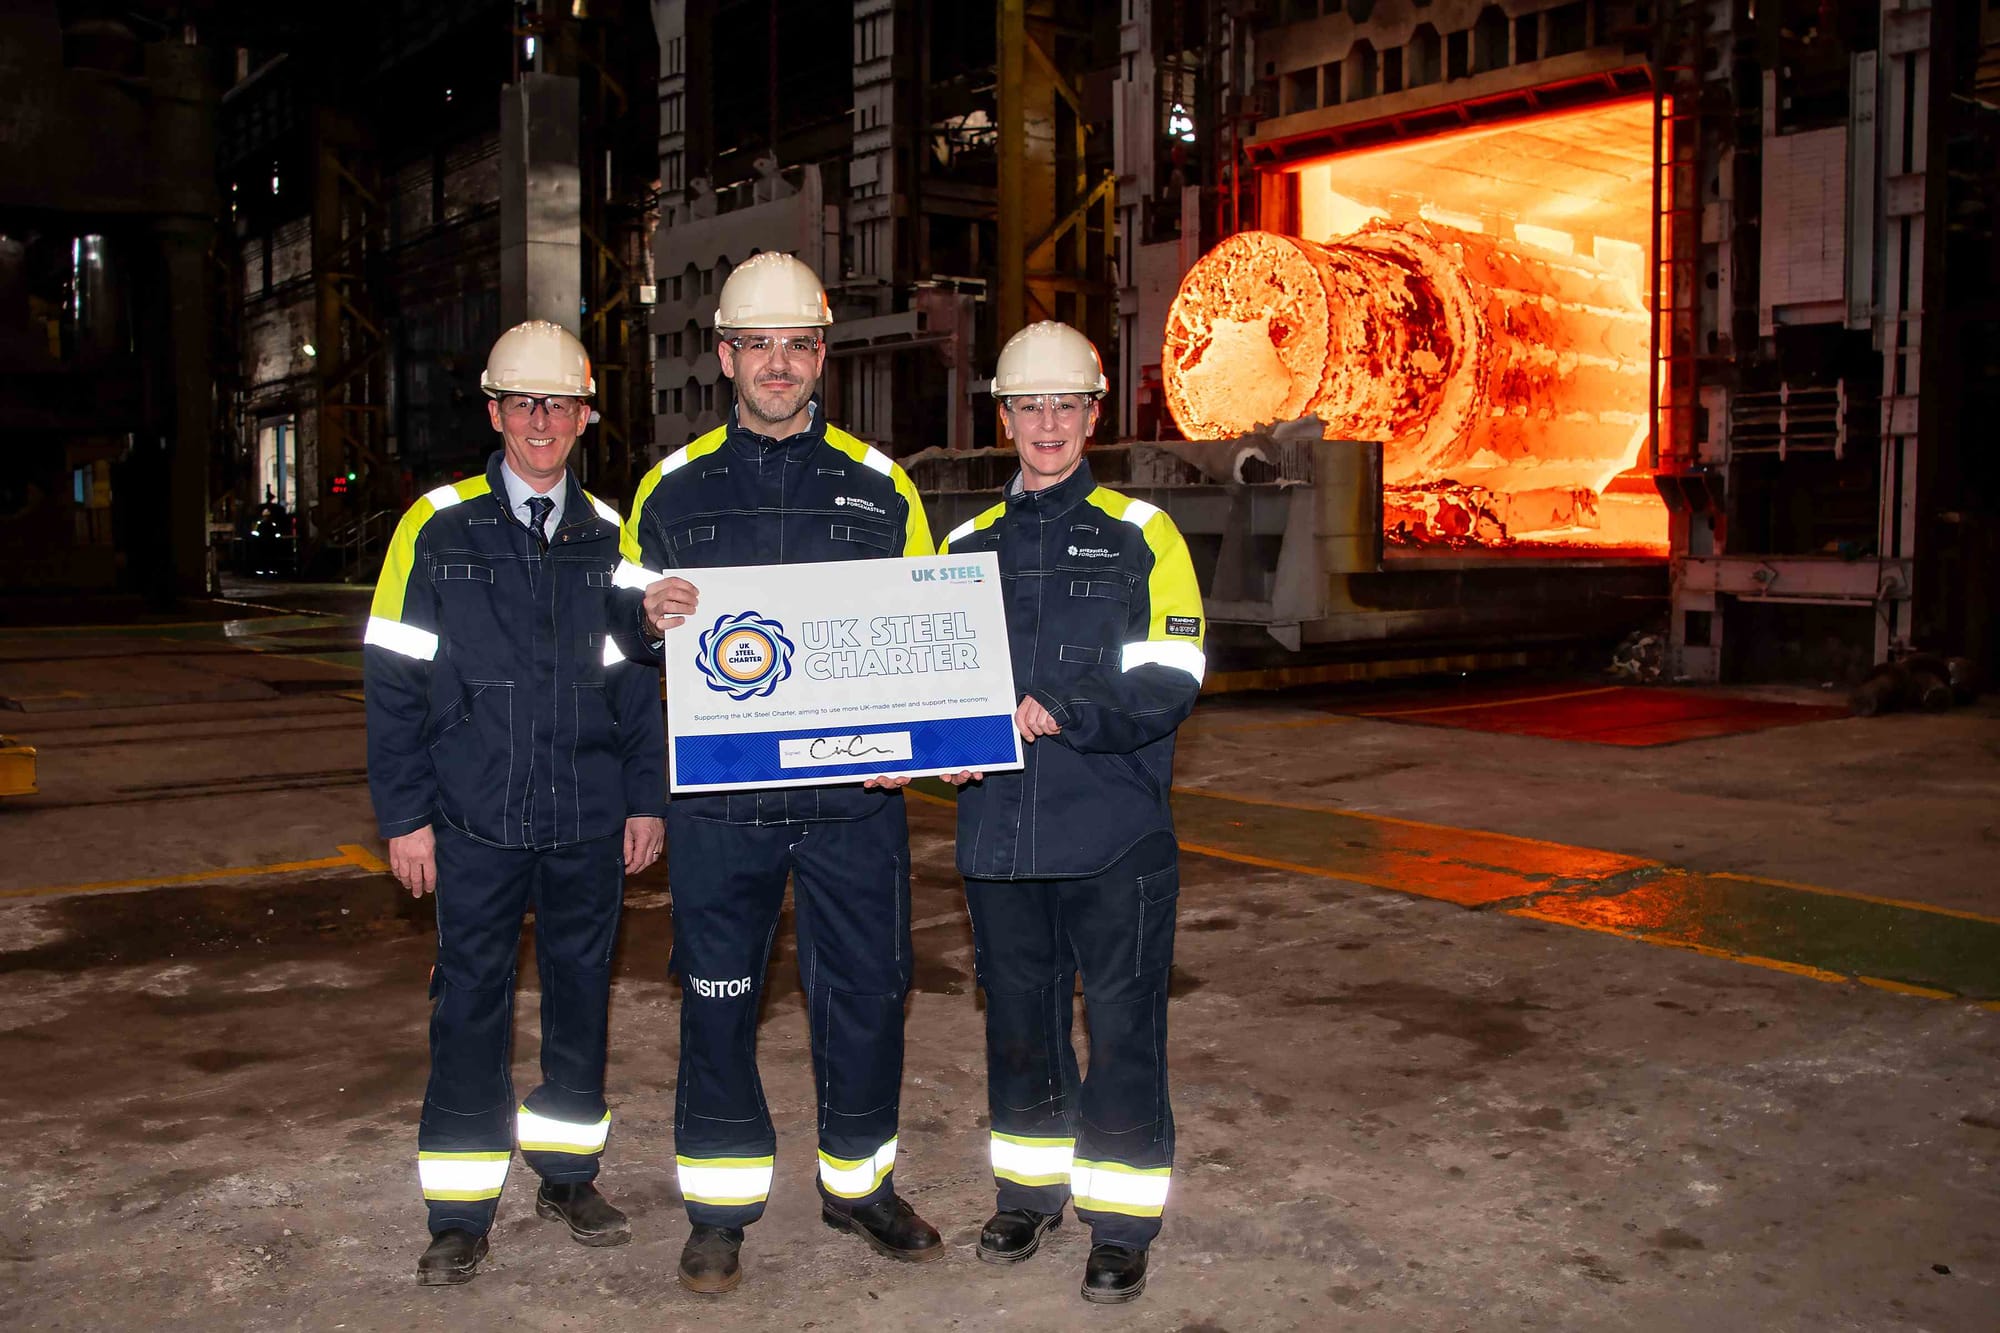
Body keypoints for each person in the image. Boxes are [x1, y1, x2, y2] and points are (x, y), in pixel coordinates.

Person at [620, 252, 941, 1295]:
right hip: (722, 801)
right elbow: (616, 649)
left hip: (854, 803)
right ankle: (719, 1210)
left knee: (866, 995)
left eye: (795, 346)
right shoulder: (668, 492)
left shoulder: (880, 485)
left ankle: (859, 1188)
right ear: (724, 356)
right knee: (718, 998)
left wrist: (913, 749)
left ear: (820, 358)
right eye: (756, 346)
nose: (776, 364)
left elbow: (929, 641)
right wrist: (640, 621)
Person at [363, 319, 666, 1286]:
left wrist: (645, 799)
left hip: (586, 814)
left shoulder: (615, 535)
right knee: (469, 1009)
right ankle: (459, 1212)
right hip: (472, 818)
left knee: (581, 1001)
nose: (542, 421)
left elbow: (640, 684)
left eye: (561, 405)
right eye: (524, 403)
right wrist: (405, 815)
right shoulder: (436, 524)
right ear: (495, 412)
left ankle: (569, 1177)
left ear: (584, 419)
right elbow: (393, 677)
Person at [938, 321, 1206, 1305]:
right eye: (1027, 407)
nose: (1045, 424)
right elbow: (932, 688)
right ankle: (1027, 1194)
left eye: (1064, 405)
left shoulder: (1144, 536)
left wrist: (1070, 709)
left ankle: (1121, 1223)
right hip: (998, 833)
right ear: (1001, 417)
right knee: (1017, 1023)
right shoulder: (961, 549)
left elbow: (1174, 672)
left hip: (1112, 833)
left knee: (1124, 1028)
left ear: (1094, 414)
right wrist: (918, 752)